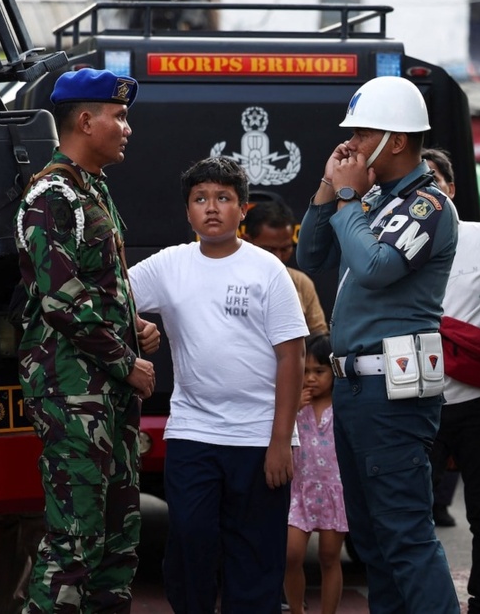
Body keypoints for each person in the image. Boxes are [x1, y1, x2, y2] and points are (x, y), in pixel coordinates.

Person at [295, 76, 460, 612]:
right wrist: (328, 190)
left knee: (405, 535)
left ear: (396, 139)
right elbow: (310, 256)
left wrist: (346, 196)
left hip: (392, 386)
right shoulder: (373, 200)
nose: (353, 145)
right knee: (372, 540)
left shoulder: (428, 204)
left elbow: (375, 267)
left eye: (363, 133)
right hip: (356, 387)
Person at [128, 157, 307, 612]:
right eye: (201, 199)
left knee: (256, 556)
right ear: (188, 210)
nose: (212, 208)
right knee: (190, 540)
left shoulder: (268, 270)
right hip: (193, 433)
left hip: (259, 436)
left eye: (223, 198)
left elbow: (293, 356)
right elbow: (108, 297)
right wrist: (137, 326)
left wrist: (281, 442)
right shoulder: (170, 264)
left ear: (242, 209)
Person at [14, 67, 157, 613]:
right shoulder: (52, 194)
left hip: (105, 393)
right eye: (119, 117)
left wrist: (137, 326)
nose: (127, 128)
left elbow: (101, 285)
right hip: (73, 392)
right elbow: (60, 299)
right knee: (73, 545)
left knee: (116, 544)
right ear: (84, 119)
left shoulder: (92, 190)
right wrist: (128, 361)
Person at [424, 147, 480, 614]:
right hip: (417, 399)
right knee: (416, 513)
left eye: (434, 178)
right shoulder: (397, 242)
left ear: (452, 188)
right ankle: (427, 598)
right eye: (416, 181)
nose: (427, 188)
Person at [284, 333, 348, 614]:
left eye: (319, 371)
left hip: (334, 491)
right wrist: (293, 407)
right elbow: (279, 435)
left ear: (334, 371)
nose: (311, 378)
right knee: (291, 555)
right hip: (300, 490)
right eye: (306, 371)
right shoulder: (296, 406)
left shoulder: (342, 408)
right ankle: (297, 609)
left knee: (330, 557)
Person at [243, 199, 329, 334]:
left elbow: (319, 338)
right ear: (247, 241)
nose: (277, 258)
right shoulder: (228, 279)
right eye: (269, 250)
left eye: (285, 249)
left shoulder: (300, 282)